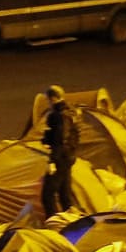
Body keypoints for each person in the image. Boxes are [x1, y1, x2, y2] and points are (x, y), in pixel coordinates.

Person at [41, 86, 80, 217]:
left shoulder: (56, 115)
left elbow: (59, 139)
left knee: (47, 194)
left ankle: (53, 224)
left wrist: (52, 161)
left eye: (48, 100)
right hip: (70, 157)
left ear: (52, 98)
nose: (48, 102)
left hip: (60, 158)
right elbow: (74, 136)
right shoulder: (72, 112)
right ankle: (70, 222)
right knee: (65, 194)